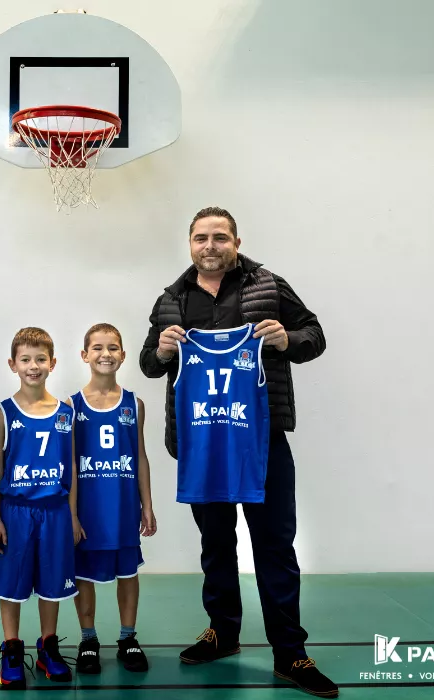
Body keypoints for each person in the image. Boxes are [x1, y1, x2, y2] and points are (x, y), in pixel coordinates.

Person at [138, 207, 338, 698]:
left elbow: (316, 335)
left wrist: (288, 338)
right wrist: (162, 352)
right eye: (202, 238)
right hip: (202, 444)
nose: (211, 246)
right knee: (216, 545)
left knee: (274, 546)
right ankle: (223, 633)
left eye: (220, 238)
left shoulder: (268, 285)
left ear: (236, 241)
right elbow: (147, 363)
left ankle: (290, 651)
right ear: (190, 243)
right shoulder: (172, 299)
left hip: (261, 444)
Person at [0, 327, 79, 689]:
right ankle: (11, 647)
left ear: (53, 363)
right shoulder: (3, 412)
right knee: (12, 585)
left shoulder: (65, 411)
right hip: (16, 511)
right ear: (13, 364)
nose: (33, 366)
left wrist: (71, 514)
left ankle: (48, 646)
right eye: (26, 359)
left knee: (53, 584)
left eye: (41, 359)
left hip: (54, 511)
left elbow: (70, 466)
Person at [69, 323, 157, 674]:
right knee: (84, 573)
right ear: (85, 355)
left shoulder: (135, 403)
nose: (106, 354)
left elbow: (141, 457)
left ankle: (127, 637)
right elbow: (70, 467)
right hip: (88, 507)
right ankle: (88, 639)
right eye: (98, 348)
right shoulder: (70, 405)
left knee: (128, 571)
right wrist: (71, 513)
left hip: (121, 506)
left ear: (123, 354)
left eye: (113, 348)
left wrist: (147, 504)